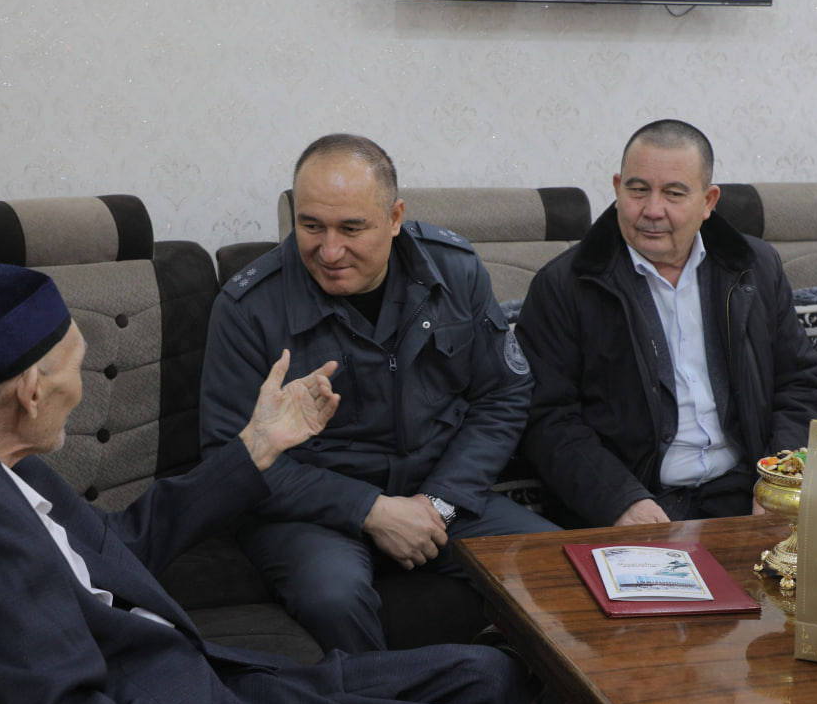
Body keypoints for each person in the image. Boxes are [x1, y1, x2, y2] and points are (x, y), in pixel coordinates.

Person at [0, 261, 569, 704]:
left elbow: (114, 548)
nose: (84, 386)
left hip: (197, 692)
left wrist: (258, 447)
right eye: (77, 364)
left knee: (489, 674)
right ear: (32, 389)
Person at [199, 133, 557, 654]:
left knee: (556, 567)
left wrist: (439, 503)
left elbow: (501, 396)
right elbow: (229, 457)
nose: (329, 251)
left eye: (351, 228)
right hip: (312, 512)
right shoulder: (247, 308)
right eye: (311, 226)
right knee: (334, 598)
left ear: (394, 218)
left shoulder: (455, 270)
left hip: (439, 492)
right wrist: (370, 510)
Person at [516, 119, 817, 528]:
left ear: (708, 201)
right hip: (634, 502)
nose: (652, 210)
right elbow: (548, 420)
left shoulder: (753, 268)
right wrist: (620, 502)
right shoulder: (566, 285)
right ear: (617, 189)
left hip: (746, 492)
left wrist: (780, 483)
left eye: (674, 194)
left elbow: (800, 385)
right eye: (638, 190)